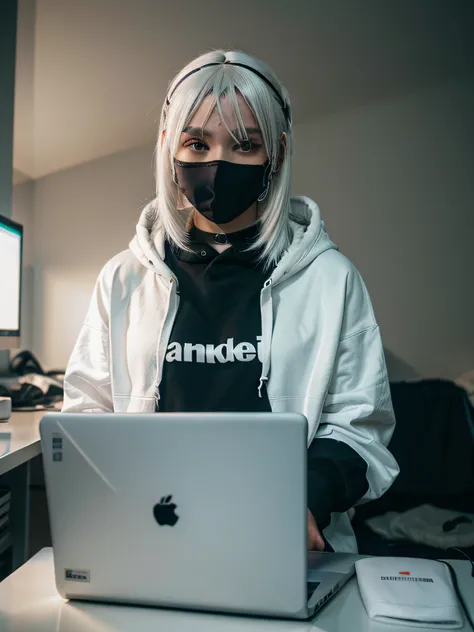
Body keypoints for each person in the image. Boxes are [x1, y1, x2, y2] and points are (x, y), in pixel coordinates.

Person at [62, 50, 399, 553]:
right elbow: (86, 411)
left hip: (285, 542)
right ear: (167, 148)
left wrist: (307, 498)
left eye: (245, 145)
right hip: (146, 537)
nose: (217, 163)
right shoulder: (123, 278)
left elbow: (360, 423)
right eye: (197, 143)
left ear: (278, 155)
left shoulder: (331, 279)